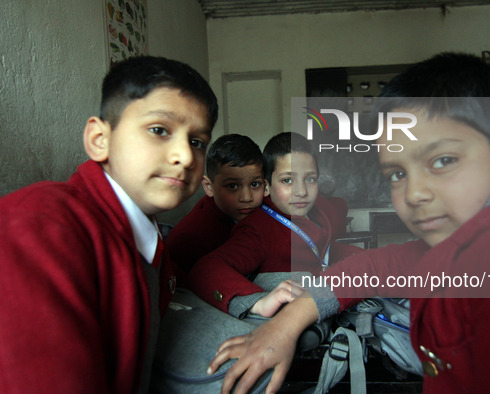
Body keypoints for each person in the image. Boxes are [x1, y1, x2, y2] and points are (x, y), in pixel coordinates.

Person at [207, 53, 490, 394]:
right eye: (396, 174)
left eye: (442, 161)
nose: (414, 194)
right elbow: (383, 265)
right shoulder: (473, 237)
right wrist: (287, 321)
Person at [0, 56, 218, 393]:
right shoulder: (39, 225)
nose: (185, 157)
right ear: (99, 139)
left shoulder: (148, 237)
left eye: (197, 141)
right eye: (159, 130)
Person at [188, 132, 361, 319]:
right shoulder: (257, 229)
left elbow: (332, 222)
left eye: (310, 179)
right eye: (288, 180)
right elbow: (206, 269)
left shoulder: (320, 210)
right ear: (267, 186)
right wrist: (257, 302)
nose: (301, 192)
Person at [166, 133, 266, 273]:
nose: (246, 197)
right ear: (209, 187)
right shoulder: (188, 239)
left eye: (255, 184)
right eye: (232, 186)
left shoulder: (268, 209)